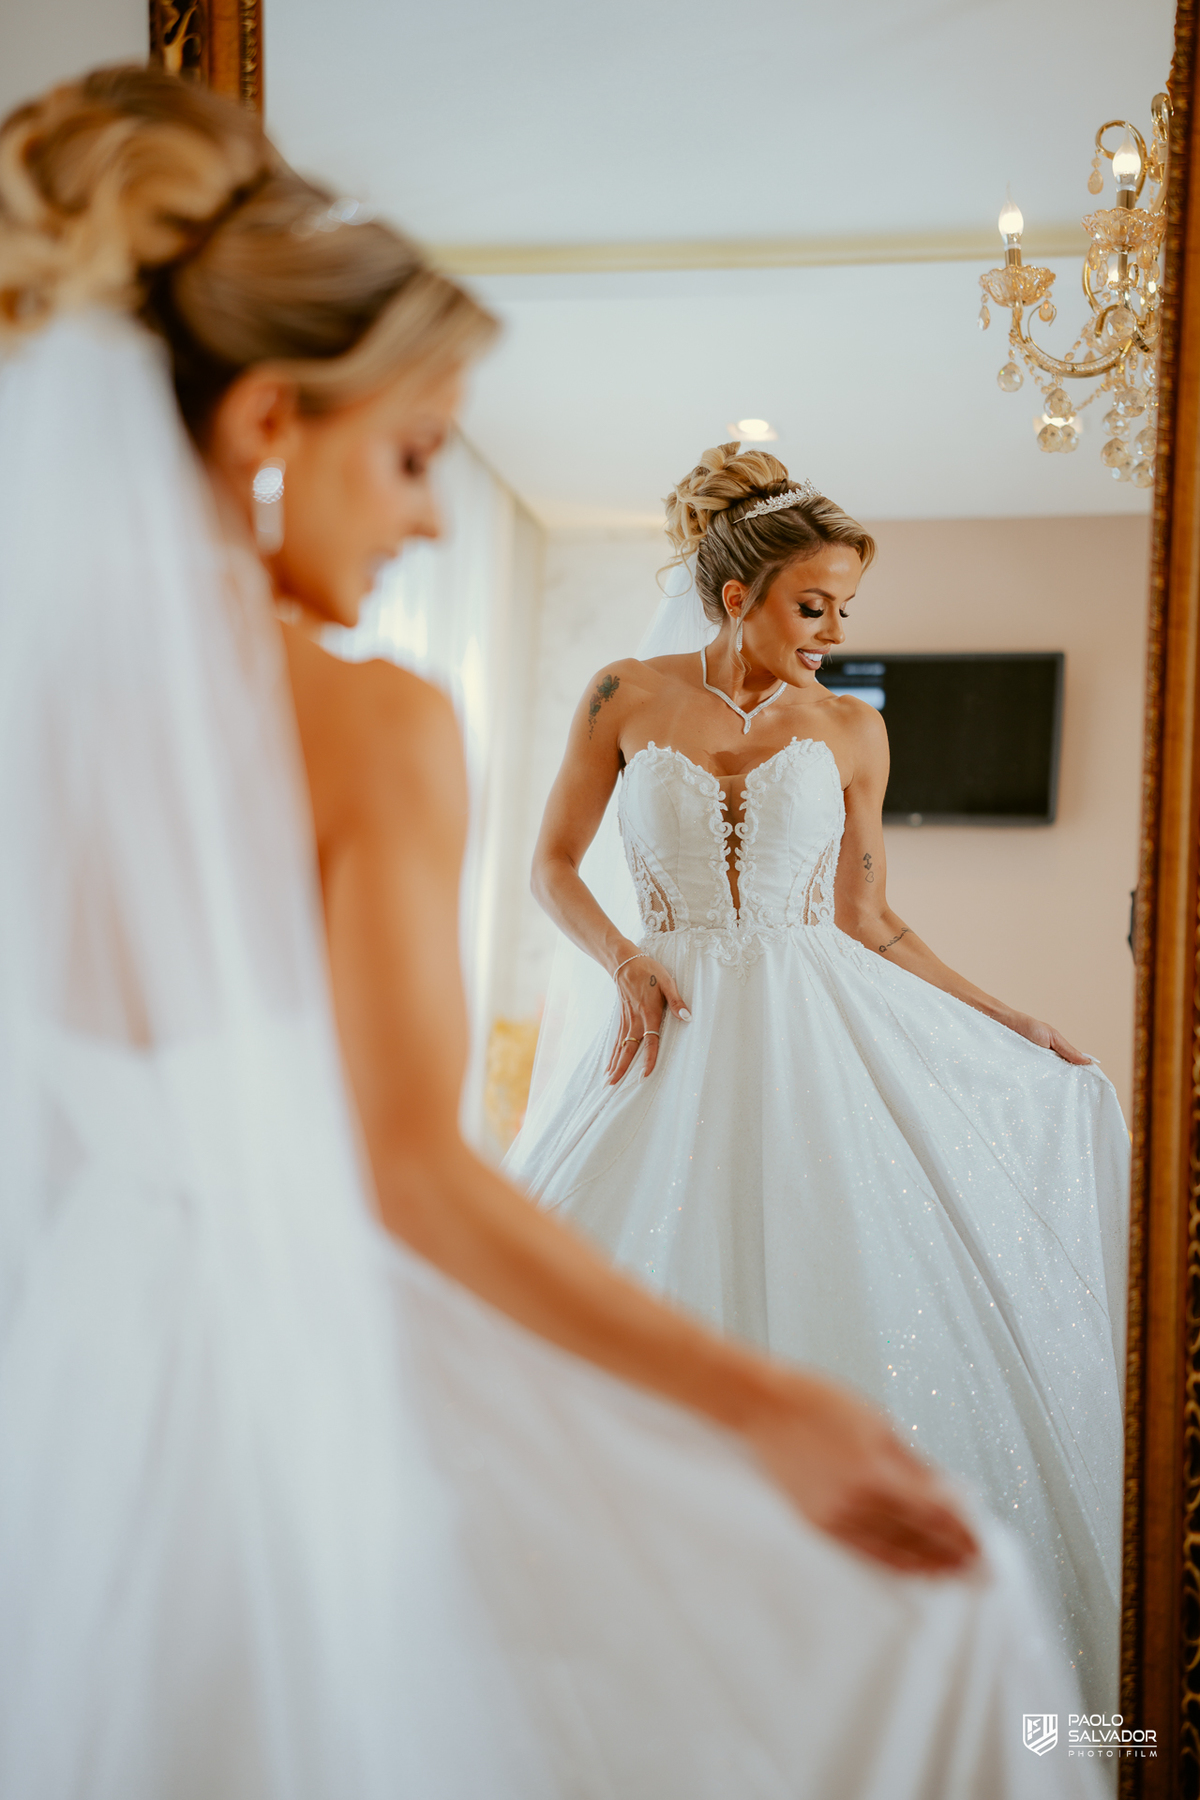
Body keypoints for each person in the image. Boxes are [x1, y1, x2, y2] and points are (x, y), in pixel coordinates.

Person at [0, 68, 1102, 1799]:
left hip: (55, 1378)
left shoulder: (37, 702)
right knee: (913, 1649)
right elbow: (413, 1177)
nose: (434, 514)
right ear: (271, 424)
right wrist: (771, 1406)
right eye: (419, 453)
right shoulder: (373, 723)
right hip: (275, 1353)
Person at [507, 442, 1129, 1713]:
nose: (834, 635)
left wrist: (1010, 1017)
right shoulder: (619, 693)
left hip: (814, 1038)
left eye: (847, 611)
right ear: (735, 595)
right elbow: (551, 869)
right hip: (663, 1037)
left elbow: (872, 919)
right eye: (813, 605)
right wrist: (627, 961)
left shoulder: (854, 726)